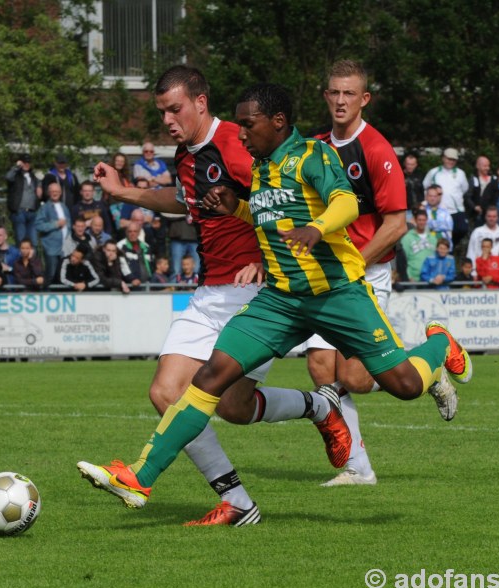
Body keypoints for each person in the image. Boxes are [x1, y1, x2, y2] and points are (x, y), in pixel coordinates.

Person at [78, 82, 472, 512]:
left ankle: (440, 346)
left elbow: (346, 203)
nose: (242, 134)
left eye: (248, 125)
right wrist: (237, 208)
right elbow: (267, 215)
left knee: (405, 385)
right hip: (281, 301)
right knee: (211, 377)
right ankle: (140, 476)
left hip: (336, 293)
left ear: (278, 121)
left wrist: (317, 228)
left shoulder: (314, 155)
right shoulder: (262, 167)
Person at [90, 65, 271, 526]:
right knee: (167, 392)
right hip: (209, 291)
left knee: (231, 405)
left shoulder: (234, 143)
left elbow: (282, 200)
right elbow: (182, 200)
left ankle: (319, 406)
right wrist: (121, 192)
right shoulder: (186, 154)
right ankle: (239, 503)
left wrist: (268, 261)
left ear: (201, 102)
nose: (169, 119)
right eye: (162, 111)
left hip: (254, 292)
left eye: (176, 109)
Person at [301, 59, 408, 485]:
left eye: (350, 93)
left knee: (355, 378)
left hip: (366, 272)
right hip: (330, 273)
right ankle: (358, 469)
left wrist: (354, 264)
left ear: (364, 99)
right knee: (320, 367)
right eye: (334, 92)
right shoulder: (315, 148)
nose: (341, 100)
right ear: (326, 96)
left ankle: (428, 362)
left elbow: (396, 224)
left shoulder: (377, 150)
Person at [423, 147, 469, 247]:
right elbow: (426, 186)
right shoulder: (434, 172)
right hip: (439, 210)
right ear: (443, 158)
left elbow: (465, 189)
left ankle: (451, 248)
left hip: (456, 210)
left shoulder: (461, 173)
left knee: (462, 229)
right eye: (449, 159)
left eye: (453, 159)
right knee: (438, 234)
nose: (451, 161)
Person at [5, 154, 42, 248]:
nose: (26, 164)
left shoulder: (34, 176)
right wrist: (16, 167)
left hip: (32, 212)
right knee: (21, 242)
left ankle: (33, 262)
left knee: (33, 242)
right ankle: (20, 262)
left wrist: (39, 187)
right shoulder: (15, 175)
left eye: (28, 162)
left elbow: (41, 185)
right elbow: (8, 177)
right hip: (19, 212)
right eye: (24, 162)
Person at [36, 181, 70, 283]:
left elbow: (69, 223)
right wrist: (55, 224)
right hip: (52, 247)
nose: (55, 193)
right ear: (49, 193)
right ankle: (48, 294)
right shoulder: (45, 208)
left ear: (60, 193)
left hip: (66, 247)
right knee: (51, 274)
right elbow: (39, 225)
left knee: (64, 275)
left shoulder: (64, 207)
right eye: (52, 191)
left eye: (57, 191)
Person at [465, 205, 499, 276]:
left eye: (494, 216)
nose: (491, 219)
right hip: (481, 270)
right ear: (485, 217)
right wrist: (473, 272)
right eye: (489, 216)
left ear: (498, 217)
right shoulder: (477, 232)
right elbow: (471, 252)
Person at [400, 209, 437, 282]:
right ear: (415, 220)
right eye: (419, 220)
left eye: (424, 220)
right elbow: (403, 260)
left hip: (430, 278)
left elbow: (436, 259)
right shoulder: (407, 238)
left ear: (426, 220)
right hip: (413, 278)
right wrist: (408, 276)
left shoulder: (433, 239)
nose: (421, 222)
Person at [116, 222, 153, 286]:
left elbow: (151, 265)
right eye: (130, 231)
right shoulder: (120, 246)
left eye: (135, 231)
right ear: (126, 233)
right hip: (130, 285)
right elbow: (122, 266)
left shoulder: (146, 247)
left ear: (139, 233)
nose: (132, 234)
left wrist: (151, 279)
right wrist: (132, 279)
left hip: (147, 284)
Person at [466, 155, 493, 225]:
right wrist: (474, 207)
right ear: (478, 166)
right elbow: (467, 196)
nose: (487, 168)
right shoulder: (473, 179)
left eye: (488, 166)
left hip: (491, 213)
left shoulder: (493, 179)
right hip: (477, 214)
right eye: (485, 166)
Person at [402, 153, 423, 219]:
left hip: (419, 209)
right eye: (408, 164)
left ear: (416, 165)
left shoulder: (420, 176)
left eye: (412, 164)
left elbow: (423, 191)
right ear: (405, 164)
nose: (410, 166)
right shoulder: (399, 176)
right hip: (405, 210)